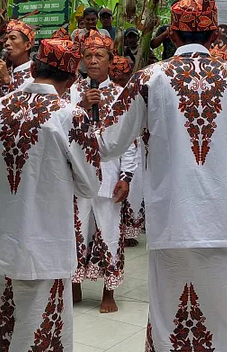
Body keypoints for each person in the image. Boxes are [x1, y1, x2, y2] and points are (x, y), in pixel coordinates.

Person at [98, 0, 227, 352]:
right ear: (215, 38)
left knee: (168, 309)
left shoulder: (150, 78)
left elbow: (109, 143)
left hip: (172, 214)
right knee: (222, 312)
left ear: (173, 36)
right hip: (224, 217)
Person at [0, 38, 101, 352]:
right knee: (42, 332)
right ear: (70, 79)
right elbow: (90, 185)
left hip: (2, 245)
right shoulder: (71, 116)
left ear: (35, 67)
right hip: (47, 247)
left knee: (7, 327)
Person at [70, 32, 132, 314]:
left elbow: (129, 139)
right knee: (76, 229)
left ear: (111, 60)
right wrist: (81, 106)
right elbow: (63, 127)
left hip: (110, 173)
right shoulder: (72, 92)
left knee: (109, 230)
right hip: (79, 174)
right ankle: (75, 285)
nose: (93, 61)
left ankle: (109, 292)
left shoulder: (120, 95)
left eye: (100, 56)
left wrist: (127, 176)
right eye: (89, 56)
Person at [110, 56, 144, 247]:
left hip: (134, 145)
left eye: (123, 77)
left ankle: (130, 231)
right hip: (116, 145)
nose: (119, 82)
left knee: (133, 189)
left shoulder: (135, 92)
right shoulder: (108, 93)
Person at [0, 19, 35, 105]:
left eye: (13, 38)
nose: (7, 43)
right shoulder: (1, 72)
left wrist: (6, 82)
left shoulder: (35, 74)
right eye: (5, 40)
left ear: (27, 45)